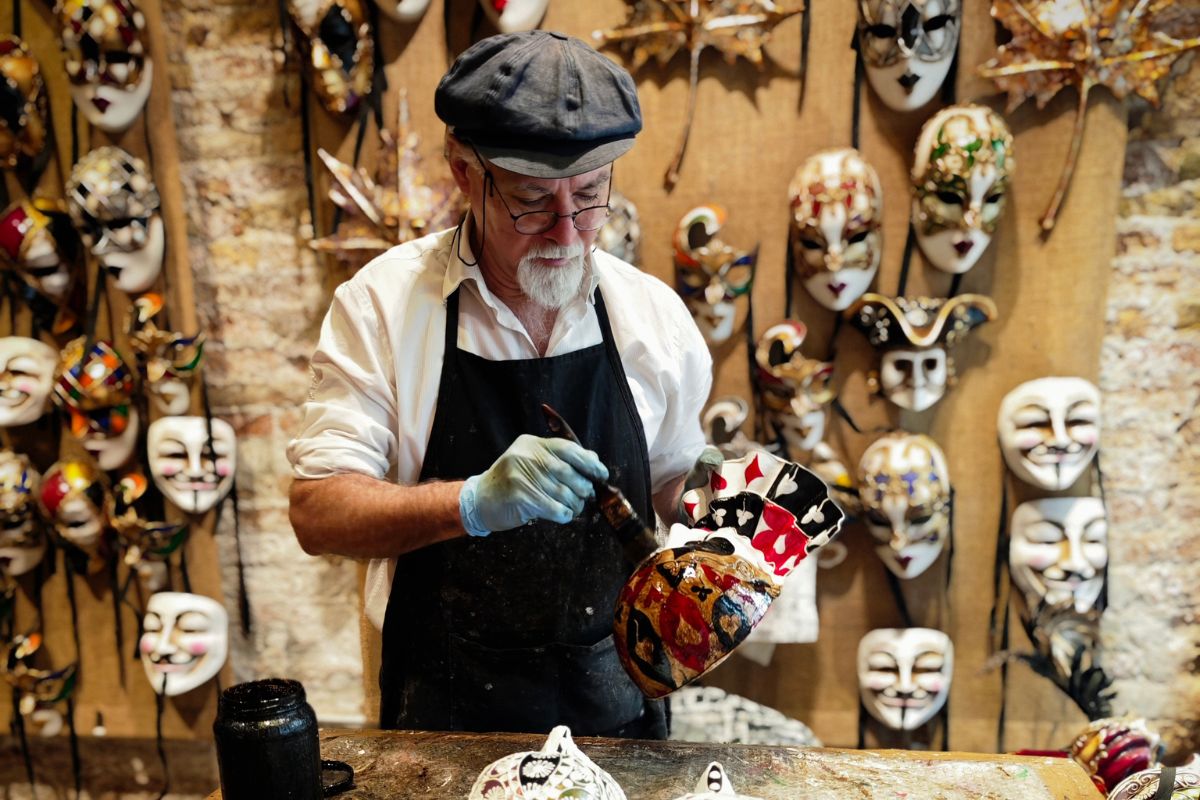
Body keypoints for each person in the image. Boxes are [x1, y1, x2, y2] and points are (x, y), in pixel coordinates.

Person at [286, 30, 715, 738]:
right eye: (530, 203)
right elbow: (317, 512)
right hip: (447, 722)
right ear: (463, 170)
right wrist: (470, 503)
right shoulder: (385, 308)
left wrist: (708, 501)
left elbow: (670, 479)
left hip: (622, 715)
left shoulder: (652, 315)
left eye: (588, 198)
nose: (568, 235)